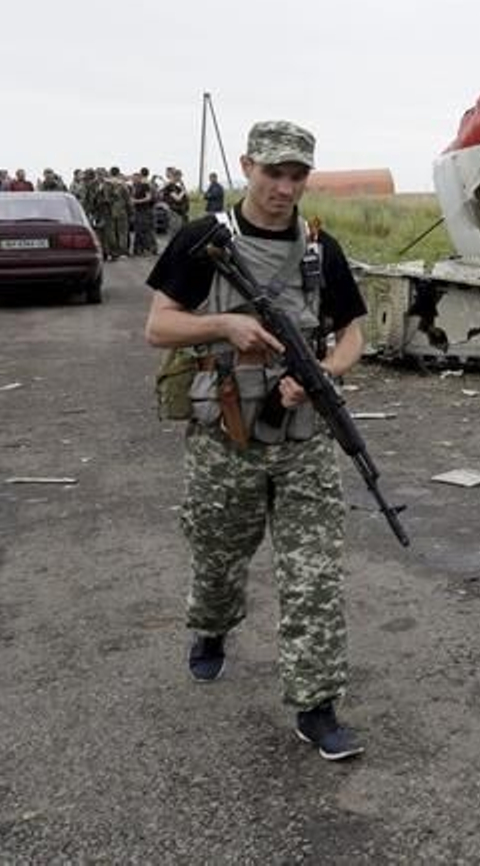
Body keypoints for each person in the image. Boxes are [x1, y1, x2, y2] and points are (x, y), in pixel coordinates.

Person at [144, 120, 368, 762]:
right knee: (217, 556)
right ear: (247, 166)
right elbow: (158, 328)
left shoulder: (321, 249)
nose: (284, 187)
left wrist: (325, 373)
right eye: (274, 173)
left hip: (302, 440)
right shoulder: (203, 239)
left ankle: (316, 705)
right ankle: (211, 628)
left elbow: (355, 331)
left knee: (314, 573)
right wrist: (224, 325)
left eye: (297, 176)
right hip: (226, 438)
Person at [130, 169, 157, 256]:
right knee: (138, 231)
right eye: (133, 178)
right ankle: (138, 250)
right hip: (138, 211)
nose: (134, 180)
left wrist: (136, 201)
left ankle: (147, 249)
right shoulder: (136, 186)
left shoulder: (145, 185)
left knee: (144, 231)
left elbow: (148, 198)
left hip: (145, 211)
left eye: (135, 178)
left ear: (140, 177)